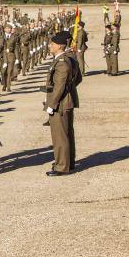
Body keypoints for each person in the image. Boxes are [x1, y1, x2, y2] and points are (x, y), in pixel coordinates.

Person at [44, 32, 79, 176]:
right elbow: (77, 79)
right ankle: (68, 163)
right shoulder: (67, 59)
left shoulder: (62, 62)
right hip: (65, 100)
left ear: (59, 46)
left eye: (52, 44)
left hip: (60, 103)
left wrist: (51, 104)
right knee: (66, 134)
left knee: (60, 136)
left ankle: (62, 166)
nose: (49, 46)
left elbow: (59, 86)